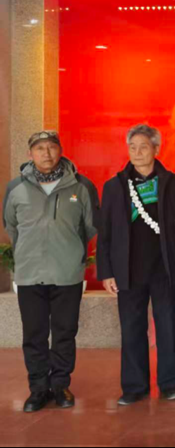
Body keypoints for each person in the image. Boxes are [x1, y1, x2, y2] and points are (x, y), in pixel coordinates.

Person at [2, 130, 99, 412]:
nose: (46, 153)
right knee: (34, 334)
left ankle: (60, 385)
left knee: (64, 332)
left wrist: (71, 251)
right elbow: (11, 226)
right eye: (40, 148)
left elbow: (90, 227)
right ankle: (38, 389)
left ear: (61, 150)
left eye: (52, 147)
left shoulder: (81, 186)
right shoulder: (16, 188)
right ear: (30, 153)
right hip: (30, 274)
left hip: (67, 273)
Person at [97, 124, 175, 405]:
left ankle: (170, 384)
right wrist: (106, 271)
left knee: (168, 327)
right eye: (132, 147)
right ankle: (134, 386)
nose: (137, 152)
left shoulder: (174, 184)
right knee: (132, 329)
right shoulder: (114, 186)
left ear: (156, 149)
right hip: (128, 270)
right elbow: (105, 232)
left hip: (165, 269)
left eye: (143, 147)